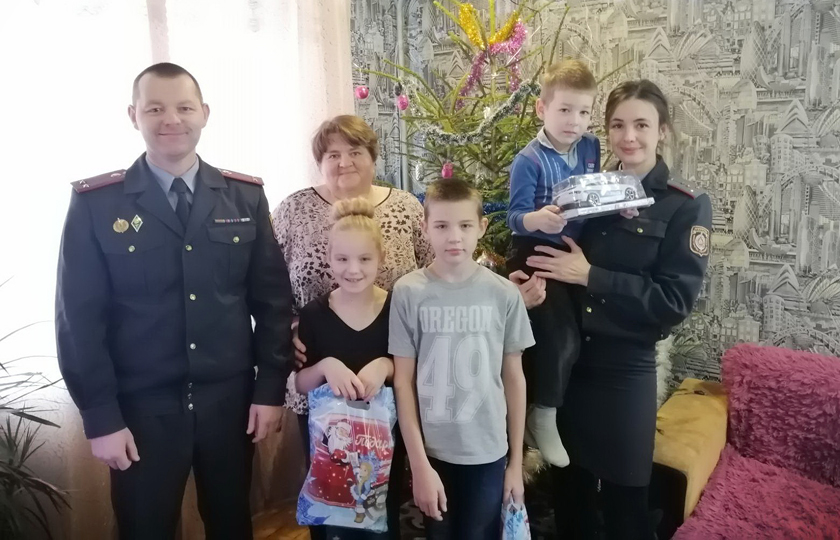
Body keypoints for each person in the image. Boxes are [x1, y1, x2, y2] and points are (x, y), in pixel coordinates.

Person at [55, 62, 293, 540]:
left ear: (204, 113)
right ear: (133, 116)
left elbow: (272, 302)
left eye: (184, 108)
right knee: (144, 528)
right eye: (155, 109)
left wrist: (270, 389)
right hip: (142, 409)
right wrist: (101, 417)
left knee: (232, 524)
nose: (171, 120)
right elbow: (78, 320)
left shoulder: (244, 197)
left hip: (229, 405)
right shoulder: (97, 203)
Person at [522, 79, 712, 540]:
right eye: (617, 125)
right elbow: (545, 252)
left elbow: (673, 302)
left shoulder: (684, 206)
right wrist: (526, 286)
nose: (629, 137)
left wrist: (592, 276)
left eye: (641, 125)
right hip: (570, 368)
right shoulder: (587, 192)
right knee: (571, 503)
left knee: (628, 507)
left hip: (625, 372)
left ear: (662, 130)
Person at [274, 115, 432, 540]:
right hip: (324, 401)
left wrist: (390, 364)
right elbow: (266, 282)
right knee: (331, 499)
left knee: (379, 505)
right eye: (333, 154)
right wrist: (287, 331)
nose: (344, 162)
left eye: (355, 152)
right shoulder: (293, 210)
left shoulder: (406, 208)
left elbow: (434, 276)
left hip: (387, 400)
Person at [390, 179, 535, 539]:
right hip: (433, 453)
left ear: (482, 227)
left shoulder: (504, 294)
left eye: (465, 225)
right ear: (425, 227)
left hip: (487, 452)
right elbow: (403, 381)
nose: (454, 237)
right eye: (441, 226)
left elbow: (514, 378)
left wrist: (515, 464)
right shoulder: (408, 292)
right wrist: (418, 464)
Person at [506, 58, 600, 467]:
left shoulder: (591, 147)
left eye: (583, 112)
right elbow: (513, 216)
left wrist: (620, 207)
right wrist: (537, 219)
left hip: (573, 252)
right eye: (564, 109)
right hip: (535, 254)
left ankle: (557, 414)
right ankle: (542, 415)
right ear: (542, 109)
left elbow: (595, 193)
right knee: (560, 336)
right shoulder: (528, 160)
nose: (574, 121)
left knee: (583, 332)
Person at [291, 197, 400, 540]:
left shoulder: (397, 308)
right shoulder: (314, 314)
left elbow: (413, 372)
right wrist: (326, 366)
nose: (353, 270)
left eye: (364, 259)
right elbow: (300, 383)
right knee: (333, 529)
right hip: (331, 454)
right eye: (342, 259)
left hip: (384, 450)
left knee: (381, 526)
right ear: (329, 258)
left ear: (381, 257)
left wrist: (386, 366)